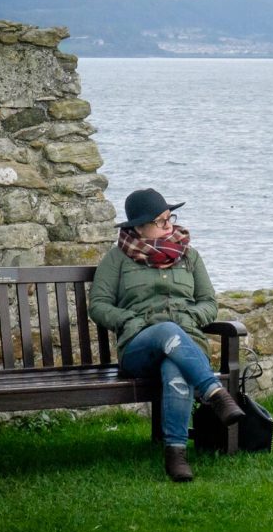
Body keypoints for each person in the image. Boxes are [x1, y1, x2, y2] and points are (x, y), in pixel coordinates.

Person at [88, 188, 244, 482]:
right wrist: (131, 319)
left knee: (175, 368)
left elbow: (209, 303)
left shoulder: (190, 256)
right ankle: (213, 392)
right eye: (160, 221)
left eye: (169, 217)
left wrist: (190, 317)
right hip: (139, 346)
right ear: (138, 227)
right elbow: (98, 305)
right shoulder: (117, 259)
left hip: (185, 342)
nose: (168, 224)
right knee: (167, 331)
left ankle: (176, 455)